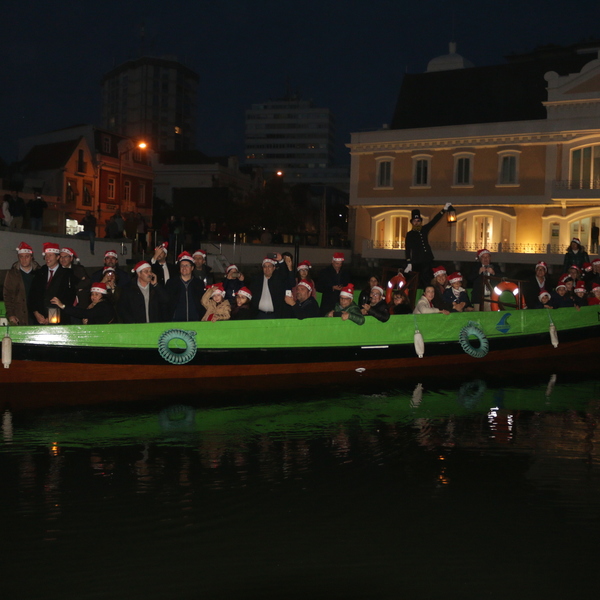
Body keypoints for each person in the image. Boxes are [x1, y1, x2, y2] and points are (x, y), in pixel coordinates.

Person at [28, 242, 77, 325]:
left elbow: (68, 298)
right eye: (46, 255)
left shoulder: (67, 274)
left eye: (50, 255)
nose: (47, 258)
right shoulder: (40, 272)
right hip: (40, 319)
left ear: (58, 257)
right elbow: (32, 296)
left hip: (59, 319)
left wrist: (51, 317)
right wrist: (36, 313)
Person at [404, 204, 452, 286]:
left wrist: (443, 210)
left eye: (418, 220)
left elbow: (434, 221)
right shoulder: (410, 234)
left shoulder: (424, 229)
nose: (416, 222)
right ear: (412, 222)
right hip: (417, 261)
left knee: (430, 278)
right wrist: (409, 262)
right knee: (419, 281)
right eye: (415, 221)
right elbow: (408, 249)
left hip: (428, 259)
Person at [3, 242, 40, 325]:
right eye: (21, 256)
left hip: (36, 315)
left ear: (31, 257)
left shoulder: (39, 273)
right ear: (18, 257)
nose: (24, 259)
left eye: (27, 256)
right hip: (18, 314)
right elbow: (7, 295)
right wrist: (11, 314)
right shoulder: (12, 274)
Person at [249, 254, 294, 319]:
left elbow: (287, 277)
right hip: (259, 315)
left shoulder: (278, 280)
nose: (267, 269)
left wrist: (281, 261)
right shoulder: (257, 280)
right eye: (265, 266)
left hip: (275, 315)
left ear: (274, 268)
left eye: (269, 266)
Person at [165, 251, 206, 322]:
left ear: (192, 268)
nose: (184, 268)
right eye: (182, 265)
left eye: (187, 265)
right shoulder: (171, 283)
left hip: (195, 320)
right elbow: (167, 302)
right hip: (176, 320)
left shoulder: (198, 283)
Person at [51, 282, 116, 325]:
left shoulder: (103, 305)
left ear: (103, 295)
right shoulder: (97, 305)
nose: (93, 296)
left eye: (97, 294)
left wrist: (63, 306)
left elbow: (85, 313)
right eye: (92, 294)